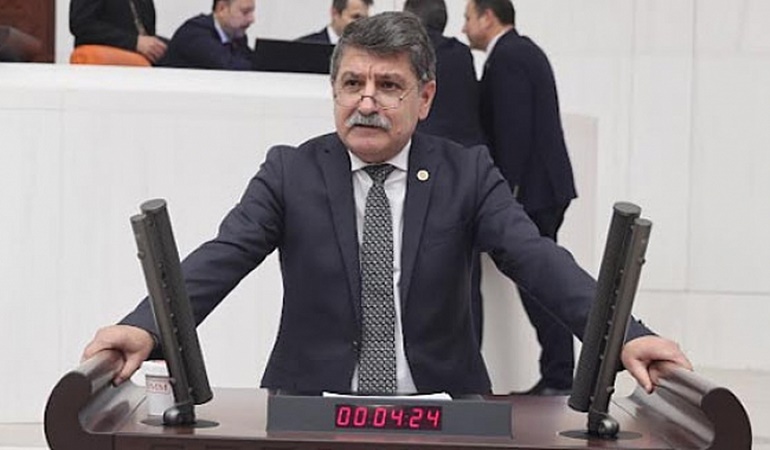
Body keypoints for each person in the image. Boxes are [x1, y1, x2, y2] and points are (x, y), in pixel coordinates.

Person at [83, 12, 690, 396]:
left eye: (389, 85)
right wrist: (146, 325)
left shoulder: (467, 173)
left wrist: (623, 336)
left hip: (442, 408)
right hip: (311, 409)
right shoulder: (290, 171)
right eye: (353, 84)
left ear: (425, 99)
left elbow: (536, 259)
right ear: (334, 92)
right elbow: (223, 256)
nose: (367, 102)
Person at [463, 0, 579, 396]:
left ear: (487, 17)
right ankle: (559, 375)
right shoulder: (521, 51)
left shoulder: (508, 57)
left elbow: (514, 131)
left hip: (532, 191)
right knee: (542, 281)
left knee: (541, 283)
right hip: (543, 188)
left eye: (467, 18)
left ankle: (560, 378)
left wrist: (505, 194)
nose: (463, 28)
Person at [402, 0, 486, 346]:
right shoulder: (461, 55)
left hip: (421, 171)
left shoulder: (407, 56)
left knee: (417, 271)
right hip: (465, 173)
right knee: (468, 276)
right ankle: (471, 354)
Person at [159, 0, 255, 70]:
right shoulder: (195, 33)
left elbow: (251, 62)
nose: (251, 19)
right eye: (245, 12)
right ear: (222, 8)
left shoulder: (237, 36)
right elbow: (228, 67)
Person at [70, 0, 167, 64]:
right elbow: (82, 25)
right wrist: (134, 42)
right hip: (113, 59)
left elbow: (147, 34)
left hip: (144, 58)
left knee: (175, 51)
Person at [297, 0, 373, 44]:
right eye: (356, 17)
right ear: (335, 13)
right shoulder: (305, 46)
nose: (362, 23)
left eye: (365, 19)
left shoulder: (368, 51)